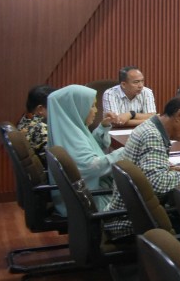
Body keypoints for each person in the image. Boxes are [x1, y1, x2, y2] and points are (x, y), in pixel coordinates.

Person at [103, 93, 180, 240]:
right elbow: (157, 183)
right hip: (130, 221)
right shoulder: (153, 135)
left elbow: (147, 174)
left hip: (127, 212)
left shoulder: (150, 125)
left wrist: (169, 170)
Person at [47, 84, 124, 213]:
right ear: (76, 108)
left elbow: (91, 148)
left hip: (86, 194)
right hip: (93, 199)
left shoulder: (69, 128)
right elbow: (92, 167)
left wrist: (103, 126)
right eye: (92, 106)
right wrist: (125, 151)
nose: (96, 110)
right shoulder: (71, 136)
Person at [17, 84, 55, 161]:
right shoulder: (40, 129)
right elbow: (60, 160)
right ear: (40, 109)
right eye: (54, 105)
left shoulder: (25, 121)